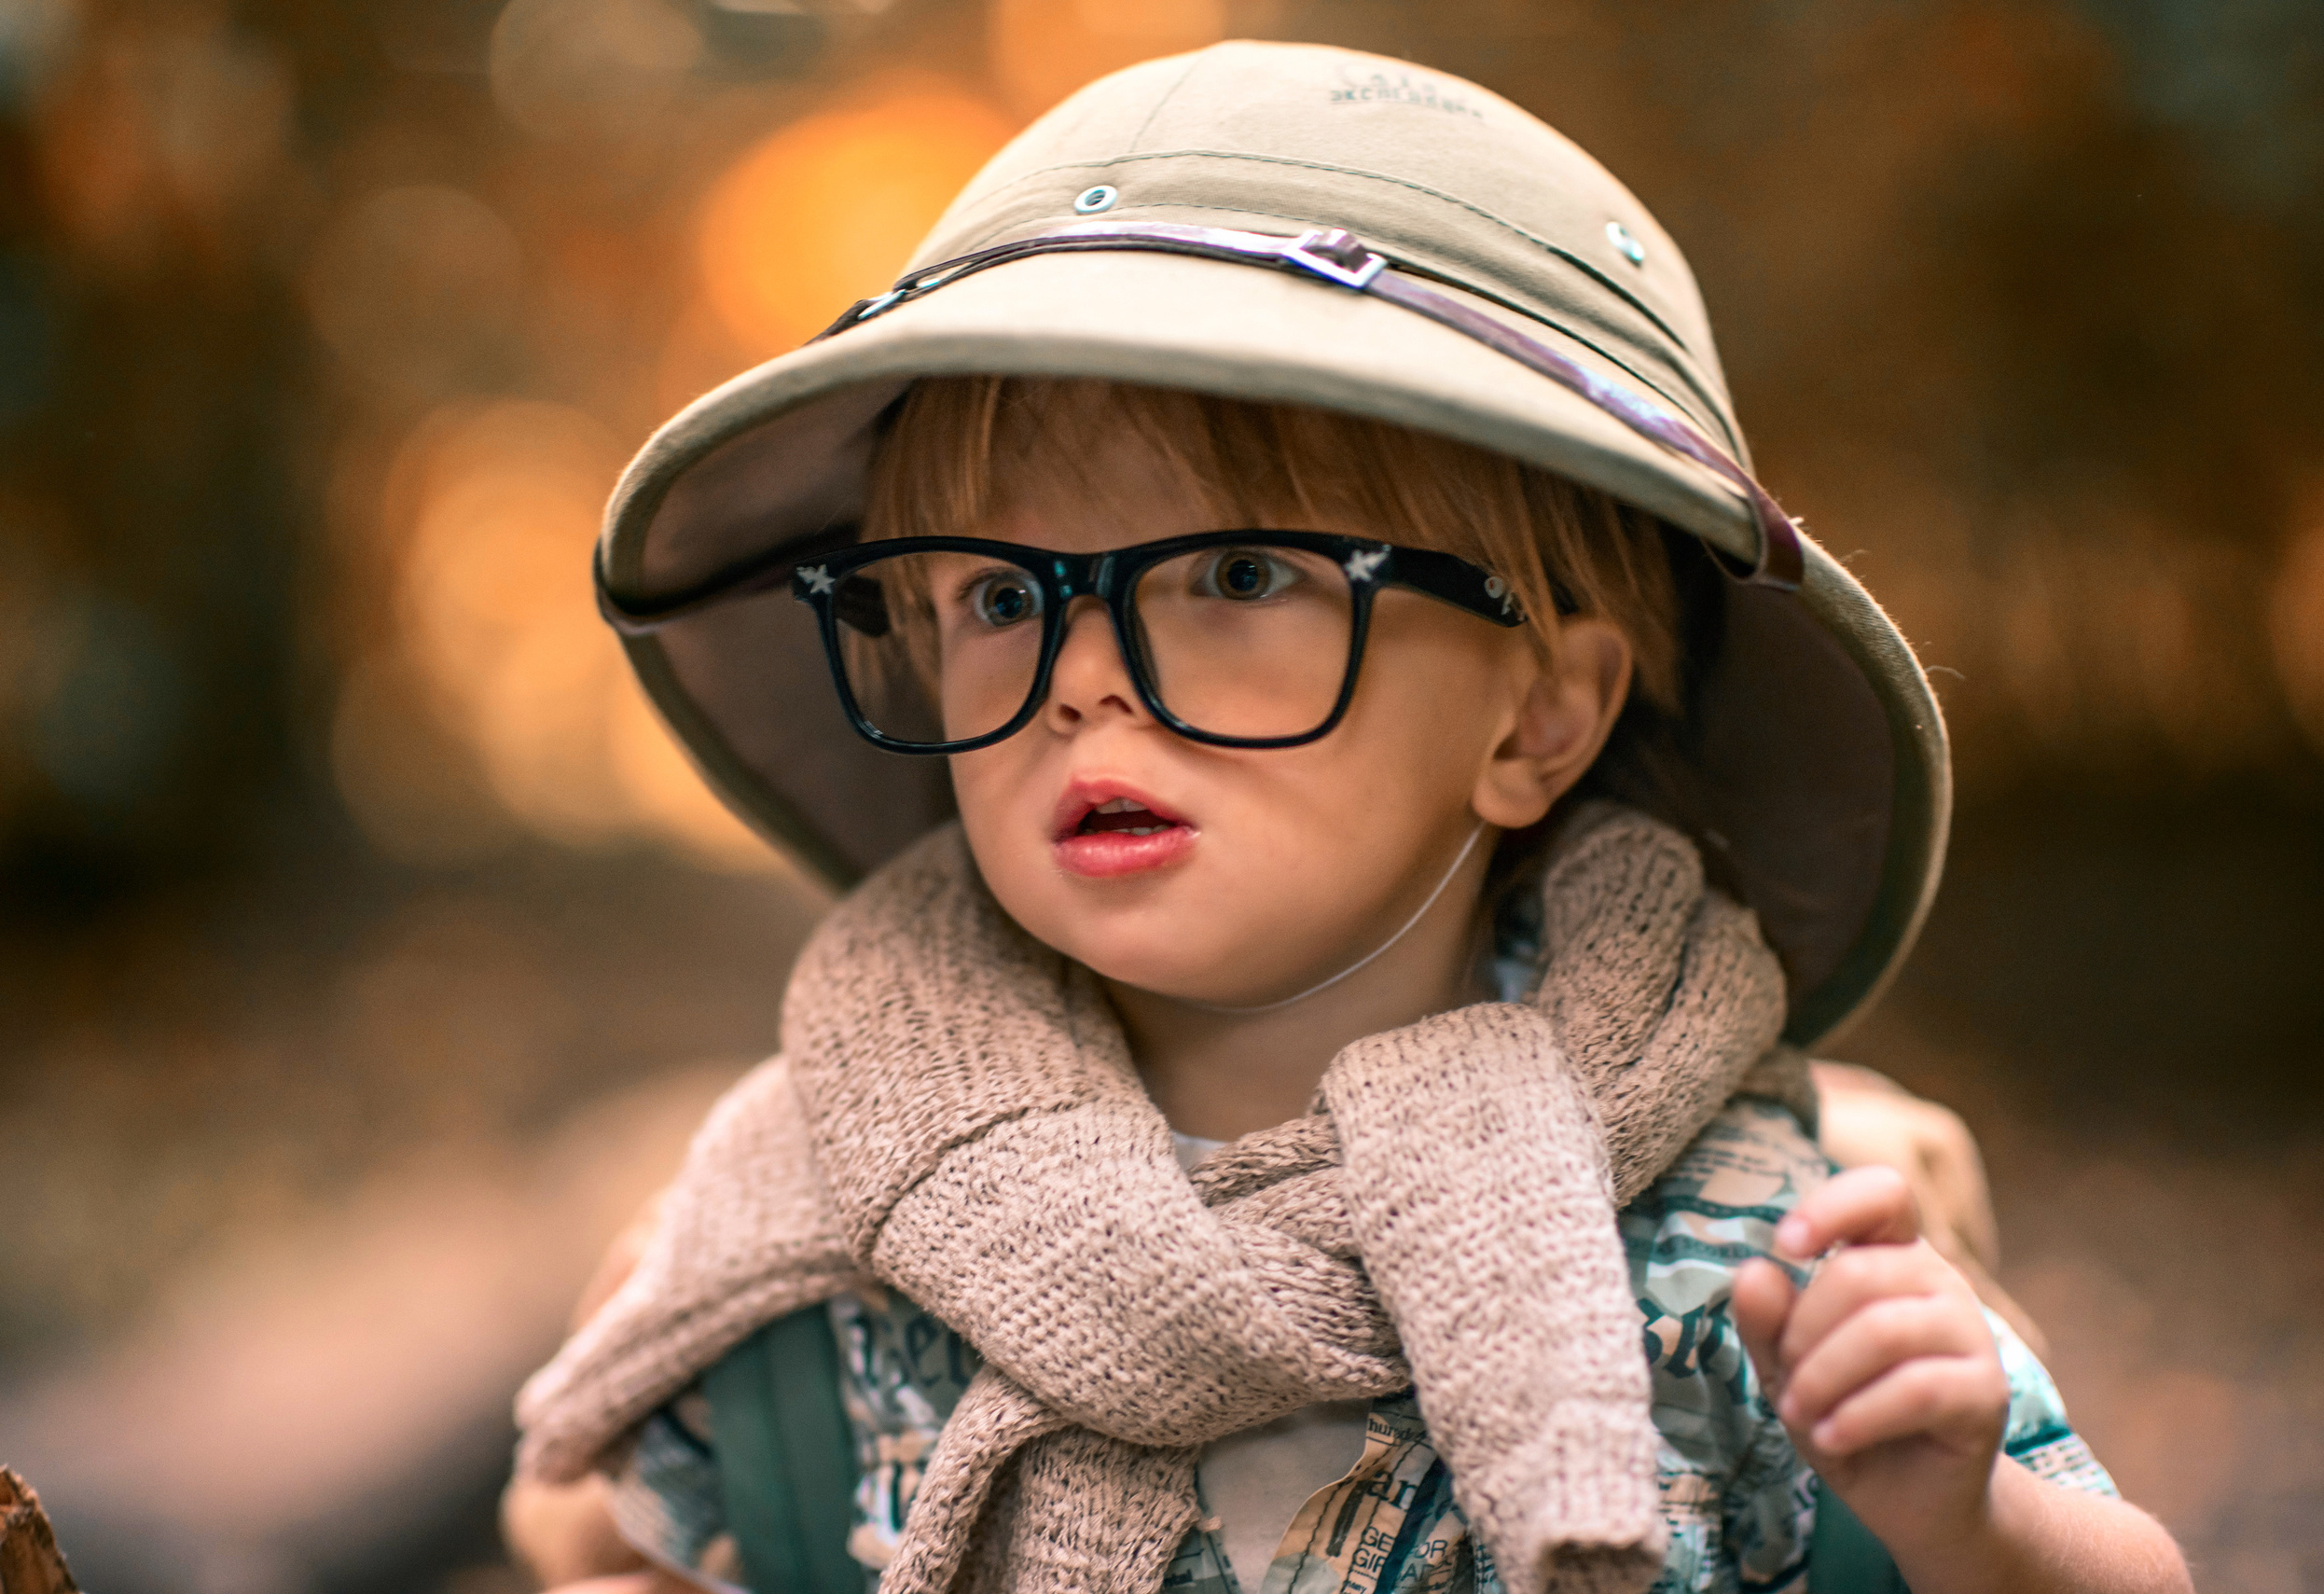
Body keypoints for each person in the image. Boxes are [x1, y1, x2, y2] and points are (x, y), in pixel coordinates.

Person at [504, 41, 2192, 1594]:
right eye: (1002, 599)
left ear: (1537, 716)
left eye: (1239, 574)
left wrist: (1964, 1515)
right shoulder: (827, 1189)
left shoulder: (1743, 1238)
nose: (1087, 675)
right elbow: (587, 1518)